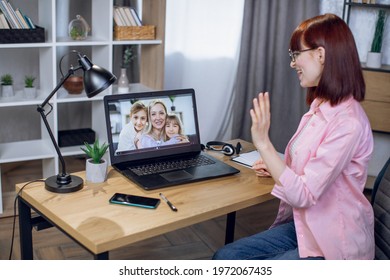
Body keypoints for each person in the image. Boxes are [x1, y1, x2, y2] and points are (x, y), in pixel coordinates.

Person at [213, 13, 374, 260]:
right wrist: (278, 167)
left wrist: (263, 144)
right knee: (226, 257)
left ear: (320, 55)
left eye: (296, 54)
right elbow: (314, 169)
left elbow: (304, 194)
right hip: (308, 226)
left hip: (335, 244)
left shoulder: (348, 122)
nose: (292, 63)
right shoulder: (321, 105)